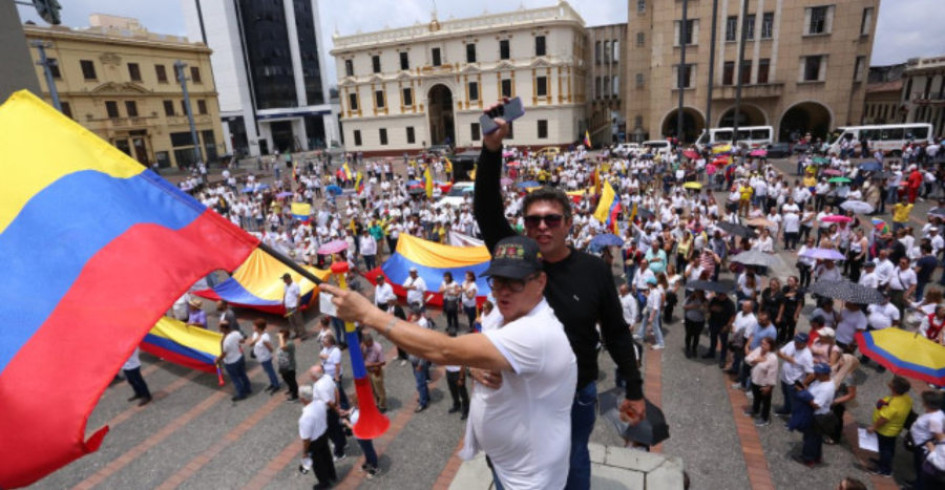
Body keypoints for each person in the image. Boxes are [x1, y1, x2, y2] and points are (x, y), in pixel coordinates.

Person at [473, 108, 644, 489]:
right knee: (512, 461)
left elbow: (616, 333)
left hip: (576, 391)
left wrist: (634, 388)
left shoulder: (595, 270)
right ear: (523, 226)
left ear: (569, 223)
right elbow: (486, 211)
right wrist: (491, 148)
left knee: (572, 459)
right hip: (519, 386)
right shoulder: (514, 254)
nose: (542, 226)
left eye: (552, 218)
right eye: (533, 220)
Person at [322, 235, 577, 489]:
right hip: (504, 463)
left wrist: (367, 313)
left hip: (530, 478)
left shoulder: (538, 333)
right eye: (498, 282)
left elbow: (445, 350)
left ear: (540, 281)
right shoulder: (503, 311)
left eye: (516, 283)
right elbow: (479, 345)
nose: (503, 292)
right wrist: (475, 362)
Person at [867, 376, 913, 477]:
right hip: (894, 430)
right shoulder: (906, 399)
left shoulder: (895, 404)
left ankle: (885, 469)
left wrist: (873, 427)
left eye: (892, 383)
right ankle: (883, 463)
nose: (889, 382)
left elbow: (884, 419)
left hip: (886, 431)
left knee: (885, 450)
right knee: (889, 448)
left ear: (894, 388)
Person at [298, 385, 336, 489]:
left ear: (303, 399)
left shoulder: (305, 417)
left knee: (318, 464)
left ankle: (324, 482)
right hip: (323, 434)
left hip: (314, 442)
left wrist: (305, 452)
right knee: (327, 456)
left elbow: (306, 439)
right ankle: (332, 475)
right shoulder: (320, 403)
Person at [797, 363, 835, 467]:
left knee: (810, 438)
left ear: (825, 374)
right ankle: (817, 457)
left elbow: (816, 405)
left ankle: (808, 459)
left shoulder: (825, 389)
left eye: (818, 372)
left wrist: (804, 395)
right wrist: (805, 389)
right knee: (817, 438)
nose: (815, 374)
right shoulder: (821, 381)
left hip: (816, 417)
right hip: (818, 416)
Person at [909, 390, 944, 488]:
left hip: (923, 446)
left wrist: (929, 445)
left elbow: (938, 435)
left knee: (921, 468)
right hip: (920, 443)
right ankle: (916, 483)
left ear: (927, 403)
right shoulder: (934, 413)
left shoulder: (934, 419)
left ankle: (918, 486)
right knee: (918, 467)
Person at [775, 333, 813, 416]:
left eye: (799, 343)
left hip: (794, 383)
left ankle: (793, 419)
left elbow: (811, 374)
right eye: (796, 341)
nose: (796, 344)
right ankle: (786, 409)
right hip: (784, 378)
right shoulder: (791, 344)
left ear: (805, 344)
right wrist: (787, 358)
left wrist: (802, 384)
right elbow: (779, 352)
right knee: (786, 395)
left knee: (794, 402)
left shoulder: (807, 356)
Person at [744, 337, 778, 427]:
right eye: (762, 343)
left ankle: (765, 418)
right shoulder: (758, 350)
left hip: (764, 384)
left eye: (765, 344)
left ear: (770, 346)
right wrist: (756, 360)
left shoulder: (773, 358)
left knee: (766, 402)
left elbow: (772, 374)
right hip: (755, 379)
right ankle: (755, 409)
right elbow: (747, 359)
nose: (762, 346)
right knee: (756, 397)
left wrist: (769, 386)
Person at [216, 321, 251, 402]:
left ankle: (241, 394)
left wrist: (218, 359)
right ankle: (248, 388)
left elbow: (224, 353)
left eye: (220, 327)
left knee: (235, 378)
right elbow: (242, 341)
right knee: (242, 374)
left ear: (224, 328)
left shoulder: (225, 341)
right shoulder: (236, 333)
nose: (219, 329)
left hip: (231, 362)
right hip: (239, 357)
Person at [248, 318, 281, 394]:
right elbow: (250, 344)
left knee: (270, 372)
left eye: (254, 326)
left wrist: (262, 342)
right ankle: (272, 383)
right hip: (260, 358)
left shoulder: (265, 337)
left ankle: (276, 385)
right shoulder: (256, 334)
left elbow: (271, 349)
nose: (252, 327)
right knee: (267, 371)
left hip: (265, 358)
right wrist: (256, 339)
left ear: (259, 328)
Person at [705, 290, 736, 365]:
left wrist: (727, 326)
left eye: (721, 295)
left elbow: (732, 316)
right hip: (713, 323)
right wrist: (710, 310)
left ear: (725, 295)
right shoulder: (714, 300)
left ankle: (722, 358)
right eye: (719, 295)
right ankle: (711, 352)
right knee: (713, 338)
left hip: (723, 325)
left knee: (723, 342)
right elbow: (709, 308)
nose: (719, 297)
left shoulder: (730, 304)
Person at [362, 332, 387, 412]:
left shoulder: (378, 348)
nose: (366, 346)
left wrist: (370, 364)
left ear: (371, 341)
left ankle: (382, 405)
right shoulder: (364, 346)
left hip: (376, 370)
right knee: (372, 388)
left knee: (379, 389)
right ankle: (376, 402)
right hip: (368, 370)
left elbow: (383, 362)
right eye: (365, 344)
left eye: (367, 344)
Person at [682, 289, 706, 359]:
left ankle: (694, 349)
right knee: (688, 334)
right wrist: (692, 306)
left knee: (696, 335)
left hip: (699, 321)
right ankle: (688, 348)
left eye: (699, 293)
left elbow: (707, 312)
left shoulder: (705, 301)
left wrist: (703, 308)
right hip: (689, 319)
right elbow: (683, 306)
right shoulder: (689, 299)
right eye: (696, 292)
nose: (697, 294)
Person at [277, 327, 299, 401]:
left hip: (289, 366)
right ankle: (290, 389)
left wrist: (280, 337)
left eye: (281, 336)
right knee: (285, 378)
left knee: (292, 380)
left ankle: (295, 395)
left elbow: (283, 347)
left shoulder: (289, 343)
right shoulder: (284, 341)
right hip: (283, 364)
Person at [282, 273, 306, 339]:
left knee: (298, 320)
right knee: (291, 321)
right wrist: (283, 300)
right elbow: (285, 293)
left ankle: (303, 334)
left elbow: (298, 296)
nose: (284, 281)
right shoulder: (285, 286)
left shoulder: (295, 286)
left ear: (288, 279)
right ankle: (296, 333)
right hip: (288, 306)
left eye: (284, 280)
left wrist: (297, 305)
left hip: (294, 306)